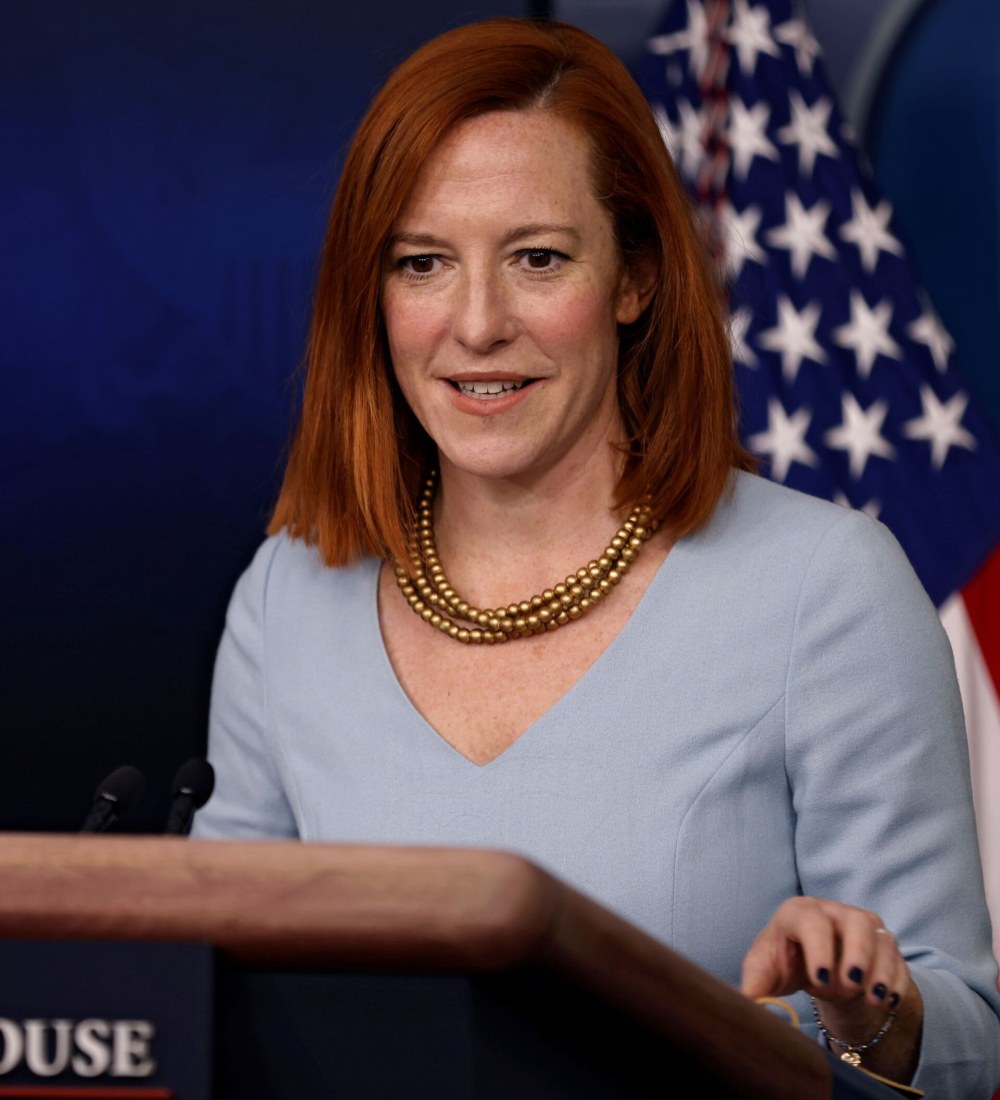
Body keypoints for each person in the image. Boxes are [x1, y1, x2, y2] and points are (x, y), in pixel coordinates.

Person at [192, 16, 1000, 1096]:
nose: (477, 324)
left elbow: (966, 1037)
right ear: (372, 295)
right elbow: (208, 986)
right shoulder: (287, 597)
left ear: (635, 278)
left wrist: (865, 1015)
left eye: (537, 258)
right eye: (423, 263)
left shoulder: (826, 585)